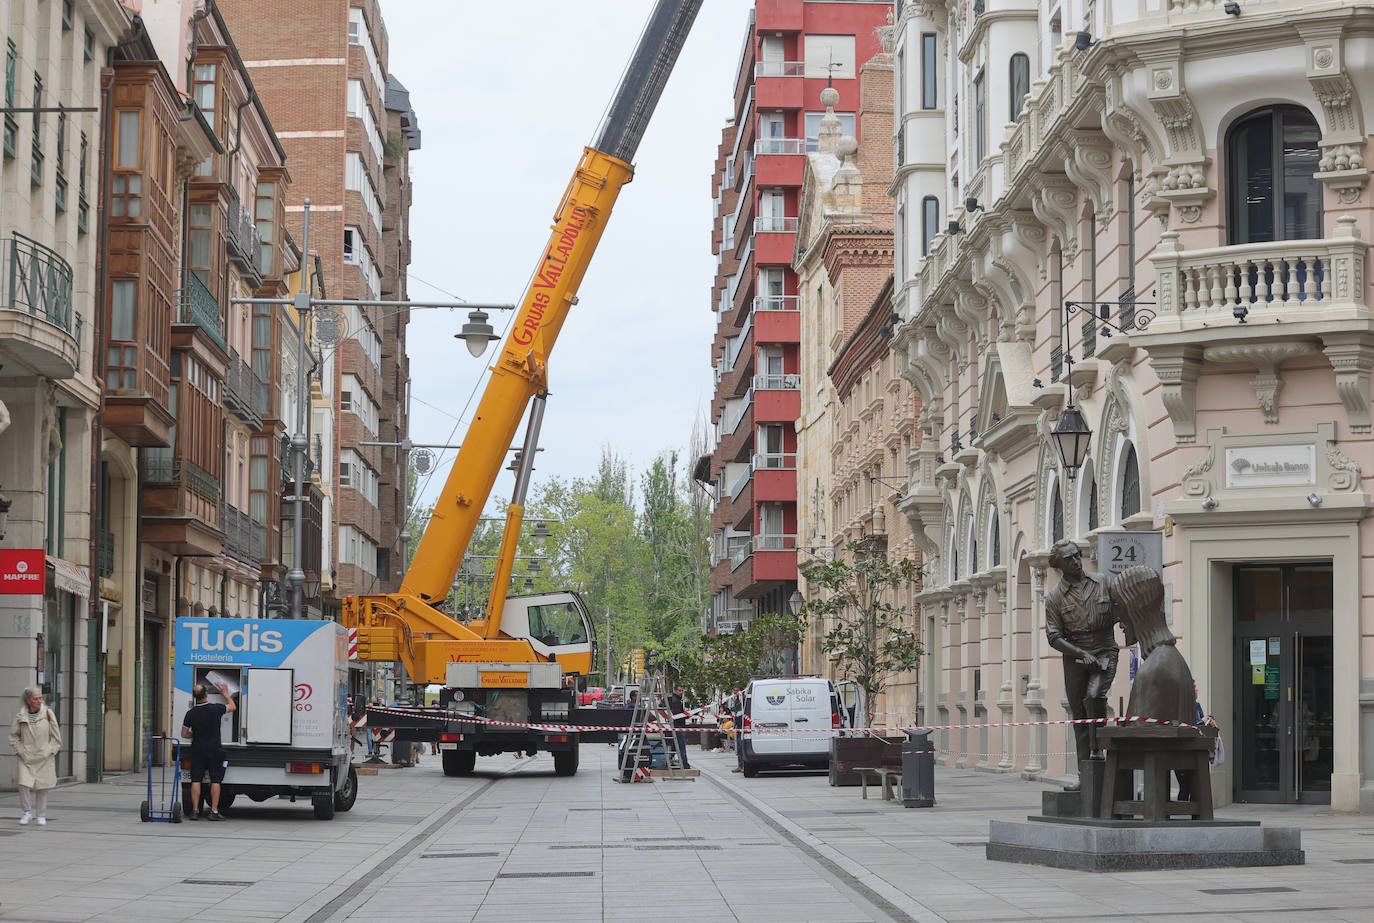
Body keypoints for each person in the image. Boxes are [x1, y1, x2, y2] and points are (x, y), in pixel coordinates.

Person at [1044, 539, 1120, 785]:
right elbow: (1053, 636)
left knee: (1095, 696)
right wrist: (1079, 653)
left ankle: (1098, 750)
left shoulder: (1102, 582)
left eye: (1077, 555)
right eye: (1070, 559)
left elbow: (1123, 610)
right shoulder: (1055, 597)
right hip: (1075, 657)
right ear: (1059, 566)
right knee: (1079, 715)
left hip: (1104, 650)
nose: (1077, 561)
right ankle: (1084, 775)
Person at [181, 681, 236, 821]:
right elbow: (233, 706)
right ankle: (214, 811)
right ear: (206, 694)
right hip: (214, 750)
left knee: (196, 780)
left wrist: (196, 734)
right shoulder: (215, 708)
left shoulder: (191, 713)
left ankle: (195, 811)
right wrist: (225, 694)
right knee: (216, 780)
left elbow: (184, 734)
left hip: (198, 750)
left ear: (194, 697)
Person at [8, 687, 61, 826]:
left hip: (44, 757)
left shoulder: (48, 713)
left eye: (40, 698)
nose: (39, 701)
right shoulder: (20, 716)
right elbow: (13, 736)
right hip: (25, 756)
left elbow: (56, 738)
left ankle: (41, 815)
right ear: (28, 700)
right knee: (24, 785)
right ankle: (27, 812)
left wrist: (50, 751)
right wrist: (20, 751)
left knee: (42, 786)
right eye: (35, 698)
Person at [1176, 683, 1219, 802]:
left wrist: (1209, 721)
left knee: (1192, 785)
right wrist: (1203, 720)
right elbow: (1194, 725)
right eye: (1194, 686)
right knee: (1185, 786)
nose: (1197, 689)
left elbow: (1201, 726)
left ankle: (1189, 809)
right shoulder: (1182, 707)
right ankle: (1183, 808)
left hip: (1197, 750)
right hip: (1184, 750)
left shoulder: (1197, 705)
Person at [667, 685, 691, 770]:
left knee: (674, 745)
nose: (681, 693)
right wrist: (686, 715)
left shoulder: (673, 699)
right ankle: (685, 764)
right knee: (681, 746)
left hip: (674, 726)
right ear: (675, 691)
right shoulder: (676, 701)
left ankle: (668, 760)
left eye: (682, 691)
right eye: (679, 691)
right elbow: (677, 715)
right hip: (678, 726)